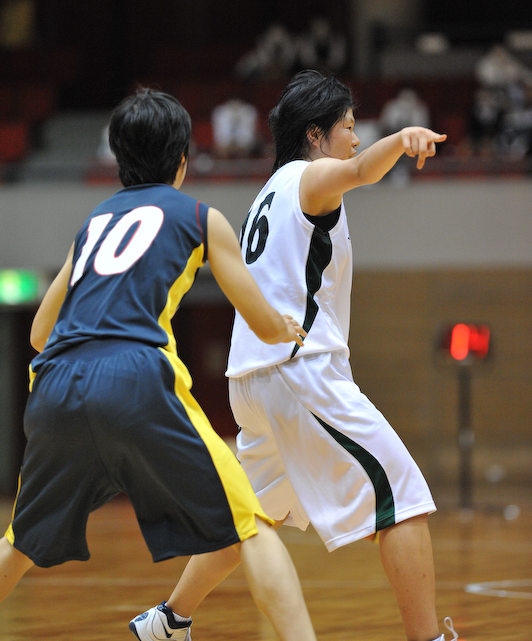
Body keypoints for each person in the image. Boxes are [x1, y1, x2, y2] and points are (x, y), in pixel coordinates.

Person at [143, 70, 458, 641]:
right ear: (315, 136)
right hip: (299, 373)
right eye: (348, 127)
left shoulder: (266, 195)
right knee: (404, 495)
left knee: (253, 516)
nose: (357, 138)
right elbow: (363, 170)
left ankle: (167, 621)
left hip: (252, 382)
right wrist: (402, 137)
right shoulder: (312, 179)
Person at [0, 88, 319, 641]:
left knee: (18, 541)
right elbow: (265, 324)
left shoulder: (94, 223)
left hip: (54, 386)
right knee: (252, 528)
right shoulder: (200, 216)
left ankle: (167, 625)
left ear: (119, 160)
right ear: (182, 161)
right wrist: (289, 327)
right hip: (136, 377)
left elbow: (38, 333)